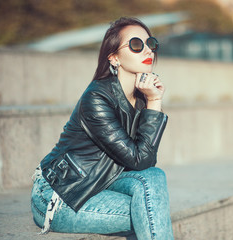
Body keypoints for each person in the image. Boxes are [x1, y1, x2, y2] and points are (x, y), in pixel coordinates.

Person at [31, 17, 174, 240]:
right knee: (152, 208)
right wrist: (155, 103)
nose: (148, 51)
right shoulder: (96, 98)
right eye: (137, 45)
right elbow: (139, 159)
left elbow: (146, 164)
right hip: (62, 194)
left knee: (154, 181)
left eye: (151, 44)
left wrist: (152, 101)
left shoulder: (141, 97)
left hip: (103, 182)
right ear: (114, 57)